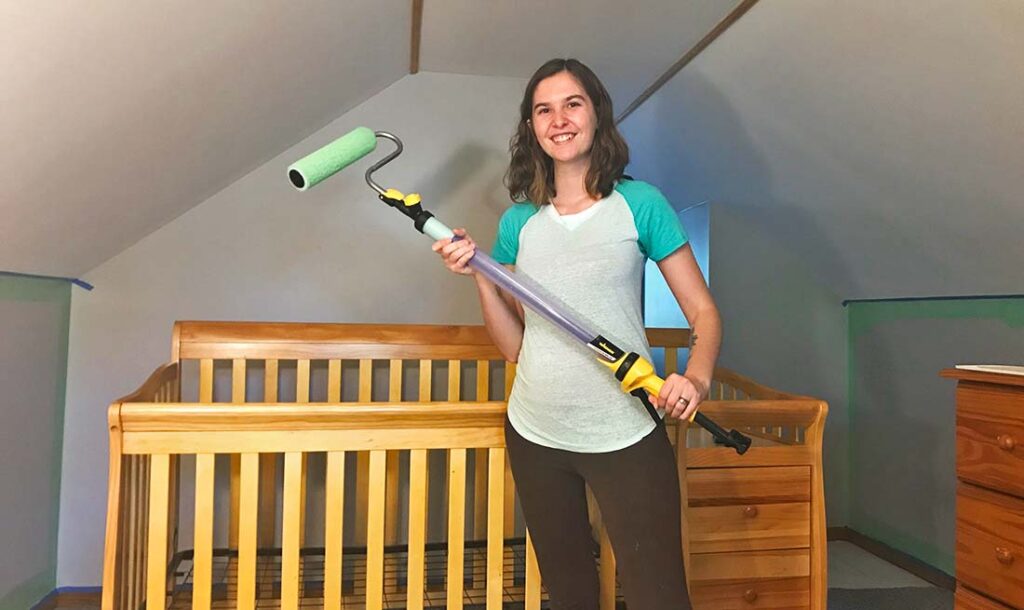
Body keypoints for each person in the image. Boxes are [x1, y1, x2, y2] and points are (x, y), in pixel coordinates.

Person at [432, 58, 721, 610]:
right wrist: (482, 278)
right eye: (544, 109)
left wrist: (698, 376)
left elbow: (703, 313)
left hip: (625, 431)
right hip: (536, 431)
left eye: (572, 104)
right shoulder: (520, 224)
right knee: (569, 593)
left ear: (597, 114)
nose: (558, 119)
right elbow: (518, 346)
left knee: (658, 594)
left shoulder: (641, 205)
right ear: (531, 127)